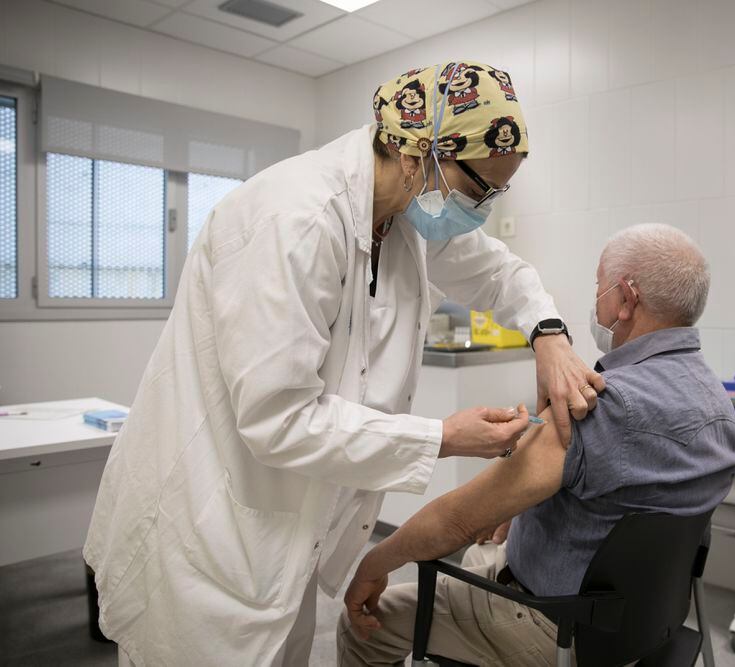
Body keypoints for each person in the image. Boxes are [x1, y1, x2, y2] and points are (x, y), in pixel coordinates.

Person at [84, 60, 604, 666]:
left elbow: (498, 271)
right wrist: (441, 437)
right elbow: (278, 417)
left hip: (287, 528)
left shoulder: (405, 214)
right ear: (421, 153)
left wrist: (549, 336)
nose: (484, 208)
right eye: (478, 189)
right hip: (208, 525)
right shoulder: (295, 219)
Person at [339, 223, 735, 666]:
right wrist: (519, 512)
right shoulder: (721, 407)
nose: (596, 301)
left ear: (626, 299)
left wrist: (370, 566)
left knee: (368, 620)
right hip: (643, 626)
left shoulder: (598, 406)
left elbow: (454, 521)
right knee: (486, 546)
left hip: (559, 629)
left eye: (598, 287)